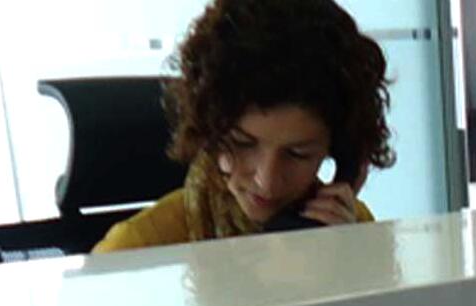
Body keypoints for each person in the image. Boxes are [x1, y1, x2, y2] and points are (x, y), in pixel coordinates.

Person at [92, 0, 394, 253]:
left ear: (339, 149)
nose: (267, 181)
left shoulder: (350, 229)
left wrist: (350, 268)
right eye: (243, 144)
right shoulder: (136, 249)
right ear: (210, 129)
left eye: (298, 154)